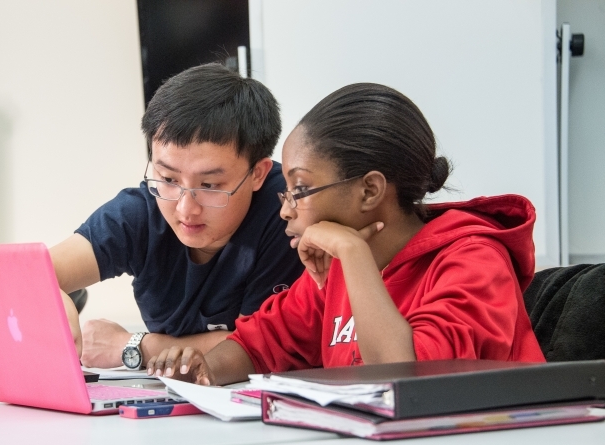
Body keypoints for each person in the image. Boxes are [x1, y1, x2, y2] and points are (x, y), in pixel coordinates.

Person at [147, 82, 546, 385]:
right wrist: (202, 372)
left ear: (369, 191)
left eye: (300, 190)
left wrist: (354, 254)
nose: (285, 209)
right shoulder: (333, 269)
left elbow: (407, 379)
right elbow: (260, 343)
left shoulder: (474, 262)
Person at [50, 63, 305, 369]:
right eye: (169, 178)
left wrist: (133, 346)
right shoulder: (140, 212)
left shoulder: (289, 215)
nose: (186, 208)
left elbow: (262, 346)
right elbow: (31, 273)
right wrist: (50, 293)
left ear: (257, 174)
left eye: (209, 185)